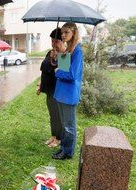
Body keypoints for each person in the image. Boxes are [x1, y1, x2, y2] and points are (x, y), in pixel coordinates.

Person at [52, 22, 84, 160]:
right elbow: (63, 69)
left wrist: (57, 72)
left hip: (69, 94)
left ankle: (68, 152)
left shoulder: (78, 51)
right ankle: (63, 148)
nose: (63, 35)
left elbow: (71, 75)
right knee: (64, 125)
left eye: (66, 32)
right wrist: (57, 57)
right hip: (61, 93)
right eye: (62, 32)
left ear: (74, 33)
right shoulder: (67, 50)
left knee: (69, 126)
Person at [37, 28, 65, 148]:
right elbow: (43, 70)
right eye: (52, 41)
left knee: (58, 116)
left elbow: (63, 75)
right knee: (52, 115)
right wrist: (40, 85)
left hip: (57, 91)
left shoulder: (65, 55)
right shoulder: (50, 52)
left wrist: (56, 60)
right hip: (49, 90)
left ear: (62, 41)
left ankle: (59, 138)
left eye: (56, 41)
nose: (53, 44)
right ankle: (53, 136)